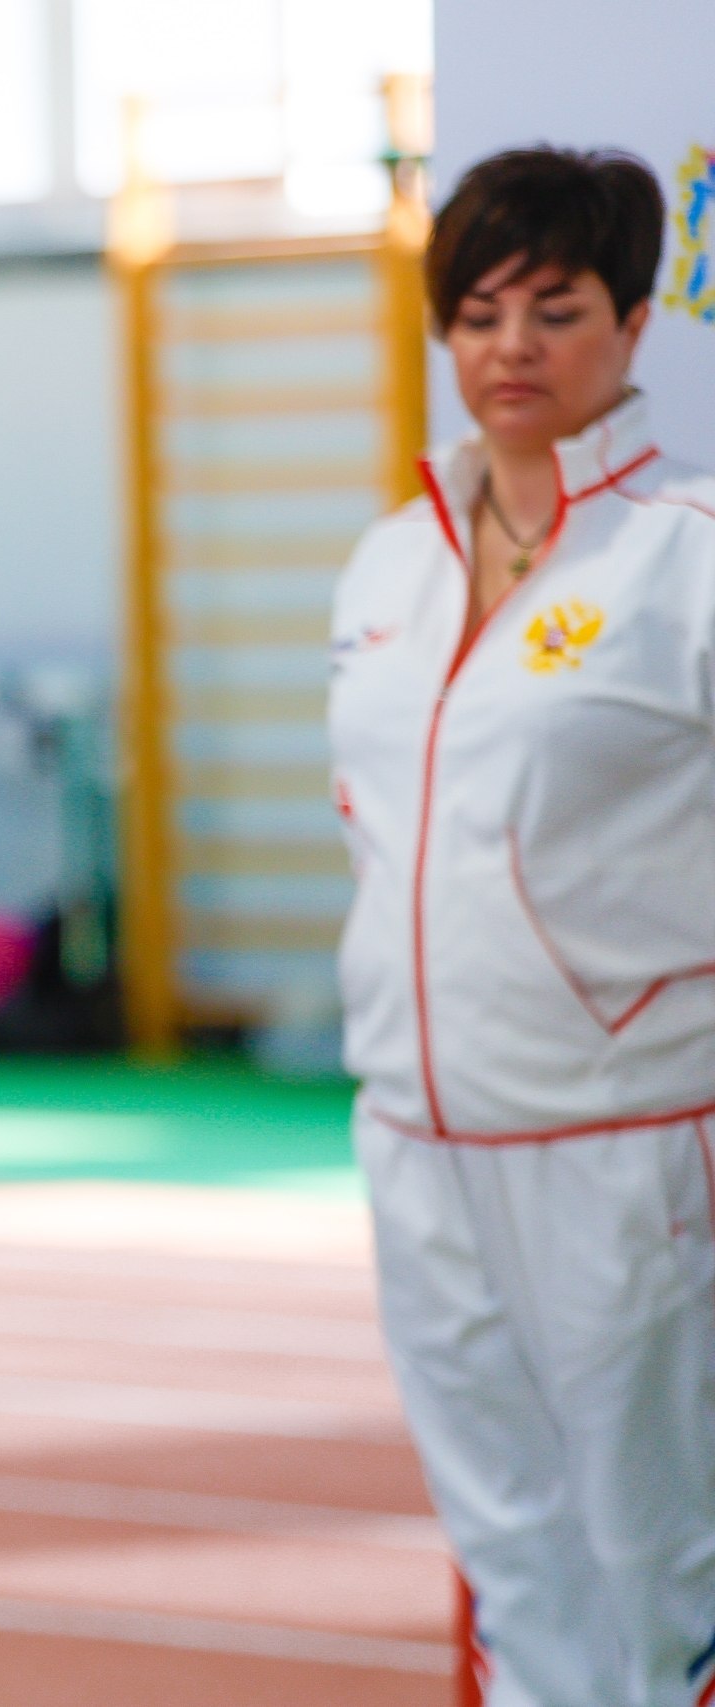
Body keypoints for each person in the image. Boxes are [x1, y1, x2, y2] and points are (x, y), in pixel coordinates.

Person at [329, 147, 715, 1701]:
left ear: (632, 322)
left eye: (556, 310)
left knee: (654, 1553)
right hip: (415, 1128)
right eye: (480, 312)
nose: (513, 348)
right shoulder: (384, 563)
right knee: (506, 1548)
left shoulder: (686, 561)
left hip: (626, 1135)